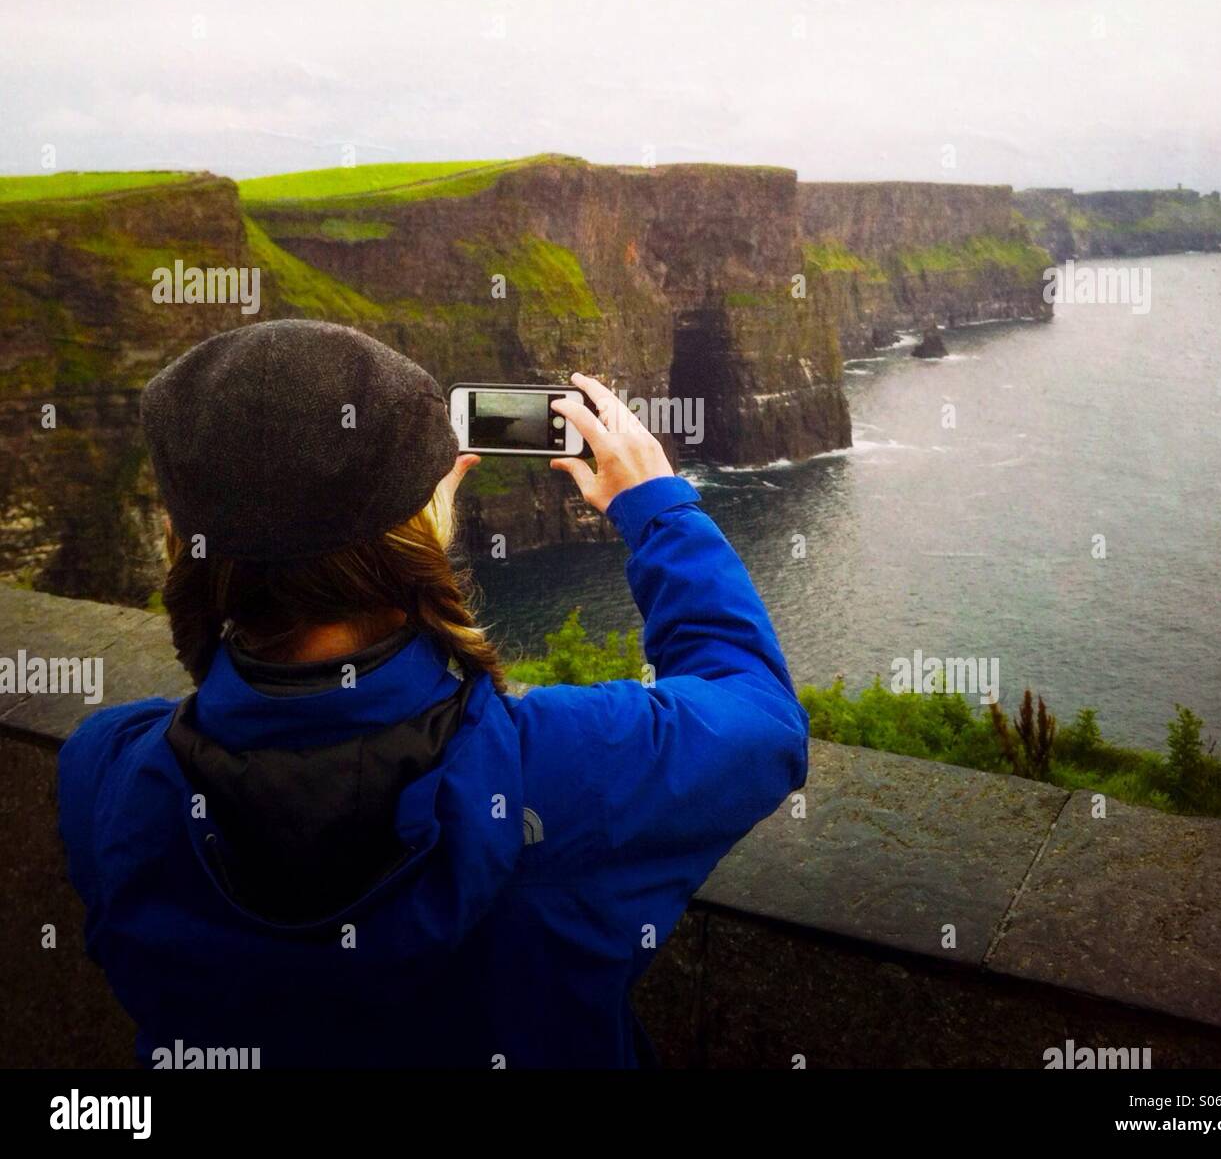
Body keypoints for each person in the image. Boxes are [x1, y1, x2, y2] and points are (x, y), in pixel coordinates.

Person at [58, 320, 808, 1068]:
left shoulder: (107, 774)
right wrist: (662, 510)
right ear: (421, 530)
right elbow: (761, 713)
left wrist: (369, 545)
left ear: (175, 534)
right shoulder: (566, 771)